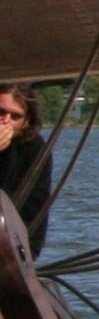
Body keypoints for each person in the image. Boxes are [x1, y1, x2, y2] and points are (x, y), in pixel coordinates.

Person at [0, 84, 49, 249]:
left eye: (15, 116)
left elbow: (35, 207)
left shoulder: (33, 148)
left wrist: (27, 255)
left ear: (26, 121)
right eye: (0, 112)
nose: (6, 120)